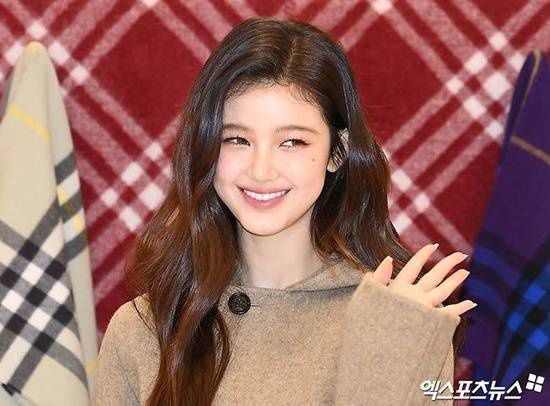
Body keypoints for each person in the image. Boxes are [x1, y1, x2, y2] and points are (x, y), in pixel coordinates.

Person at [92, 17, 476, 405]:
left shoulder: (398, 319)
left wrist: (388, 357)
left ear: (337, 152)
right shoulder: (143, 330)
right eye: (237, 139)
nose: (261, 171)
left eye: (292, 142)